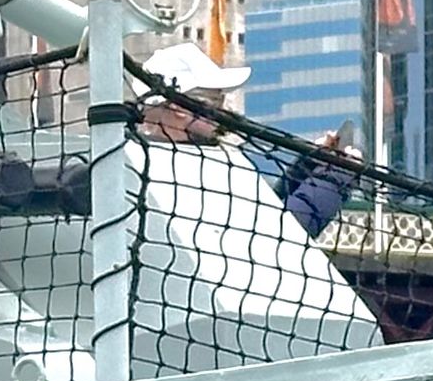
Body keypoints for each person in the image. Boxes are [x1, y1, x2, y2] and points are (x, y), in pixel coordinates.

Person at [137, 38, 355, 237]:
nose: (223, 111)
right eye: (214, 101)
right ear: (179, 108)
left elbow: (263, 216)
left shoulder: (164, 159)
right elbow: (276, 239)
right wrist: (336, 176)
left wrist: (310, 164)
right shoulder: (181, 168)